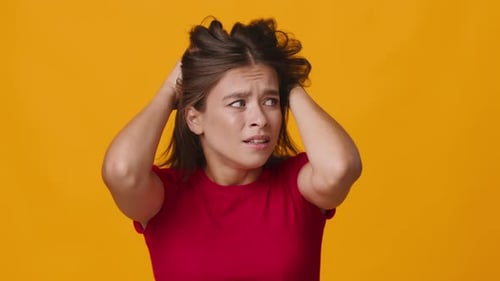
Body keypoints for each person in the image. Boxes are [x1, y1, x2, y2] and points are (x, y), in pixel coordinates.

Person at [102, 17, 362, 281]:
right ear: (195, 118)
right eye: (238, 103)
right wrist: (169, 90)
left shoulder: (297, 187)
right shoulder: (164, 197)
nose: (260, 119)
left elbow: (341, 168)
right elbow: (121, 171)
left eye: (270, 101)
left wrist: (288, 83)